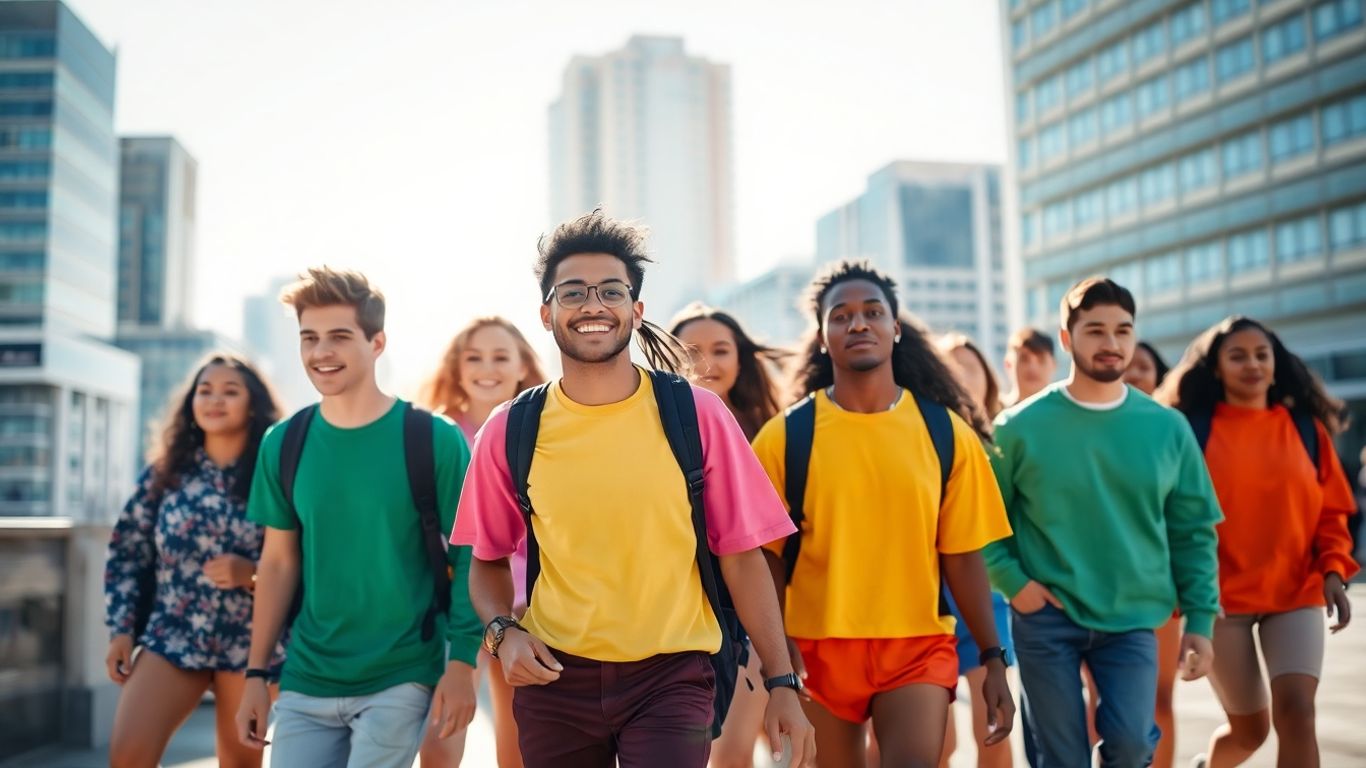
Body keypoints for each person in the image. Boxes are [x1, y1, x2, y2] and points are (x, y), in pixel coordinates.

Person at [451, 210, 815, 768]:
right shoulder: (510, 428)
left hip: (674, 675)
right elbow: (486, 561)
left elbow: (743, 560)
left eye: (611, 291)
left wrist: (781, 681)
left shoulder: (696, 414)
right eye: (572, 292)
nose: (592, 304)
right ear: (547, 314)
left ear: (636, 310)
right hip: (554, 679)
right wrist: (504, 634)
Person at [751, 260, 1015, 767]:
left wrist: (993, 657)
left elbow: (962, 558)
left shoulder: (946, 434)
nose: (858, 323)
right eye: (841, 316)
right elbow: (765, 560)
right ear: (823, 337)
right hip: (816, 649)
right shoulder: (786, 438)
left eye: (873, 312)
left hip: (916, 646)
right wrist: (778, 654)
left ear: (896, 328)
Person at [234, 267, 483, 768]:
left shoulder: (432, 439)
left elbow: (471, 556)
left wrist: (462, 665)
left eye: (339, 337)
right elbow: (278, 563)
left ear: (377, 342)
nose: (321, 352)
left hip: (402, 671)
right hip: (306, 675)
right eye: (309, 338)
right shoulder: (283, 443)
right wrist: (256, 676)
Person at [984, 277, 1222, 768]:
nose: (1112, 344)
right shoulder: (1018, 427)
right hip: (1045, 615)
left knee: (1134, 746)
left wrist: (1200, 619)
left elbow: (1193, 530)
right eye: (1095, 330)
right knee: (1060, 758)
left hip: (1135, 616)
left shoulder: (1166, 427)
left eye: (1123, 330)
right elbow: (982, 524)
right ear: (1067, 339)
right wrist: (1014, 584)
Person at [1156, 316, 1358, 768]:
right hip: (1220, 602)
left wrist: (1332, 568)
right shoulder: (1191, 433)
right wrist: (1184, 599)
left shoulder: (1306, 430)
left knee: (1298, 714)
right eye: (1237, 356)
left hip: (1295, 592)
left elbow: (1332, 511)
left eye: (1261, 355)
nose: (1252, 364)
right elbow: (1168, 518)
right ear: (1216, 369)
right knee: (1251, 731)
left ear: (1275, 363)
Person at [104, 354, 284, 768]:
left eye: (230, 391)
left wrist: (251, 573)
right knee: (128, 753)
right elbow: (128, 549)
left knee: (240, 764)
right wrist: (120, 630)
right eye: (205, 391)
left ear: (253, 405)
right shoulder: (165, 474)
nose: (214, 400)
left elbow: (300, 558)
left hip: (252, 643)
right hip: (173, 634)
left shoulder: (274, 473)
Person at [417, 316, 548, 768]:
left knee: (519, 740)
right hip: (454, 603)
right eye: (473, 357)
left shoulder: (542, 429)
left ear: (522, 367)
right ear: (455, 368)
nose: (486, 367)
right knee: (441, 732)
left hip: (527, 606)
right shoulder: (433, 434)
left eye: (500, 356)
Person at [671, 303, 787, 767]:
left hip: (756, 616)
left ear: (742, 360)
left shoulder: (776, 435)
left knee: (755, 751)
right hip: (677, 621)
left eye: (721, 350)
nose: (707, 363)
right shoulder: (644, 431)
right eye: (690, 351)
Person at [934, 333, 1015, 768]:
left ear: (988, 377)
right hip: (929, 600)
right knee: (936, 742)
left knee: (994, 726)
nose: (963, 377)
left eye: (971, 366)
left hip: (990, 598)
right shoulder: (924, 432)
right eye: (952, 367)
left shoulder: (1004, 437)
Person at [1122, 340, 1180, 768]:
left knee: (1159, 697)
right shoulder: (1082, 430)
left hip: (1160, 589)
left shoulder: (1173, 432)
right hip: (1095, 588)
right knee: (1107, 701)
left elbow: (1192, 521)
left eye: (1144, 366)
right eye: (1128, 366)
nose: (1135, 373)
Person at [1002, 328, 1057, 406]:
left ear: (1054, 365)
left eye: (1041, 360)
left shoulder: (1065, 414)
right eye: (1024, 359)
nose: (1032, 368)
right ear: (1008, 364)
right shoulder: (992, 413)